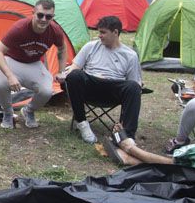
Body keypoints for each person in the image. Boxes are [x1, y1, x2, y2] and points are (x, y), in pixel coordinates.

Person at [60, 15, 143, 144]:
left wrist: (135, 86)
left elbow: (133, 82)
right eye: (99, 32)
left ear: (115, 32)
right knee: (75, 75)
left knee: (133, 87)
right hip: (90, 88)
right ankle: (82, 123)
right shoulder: (91, 46)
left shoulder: (130, 55)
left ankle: (127, 135)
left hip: (113, 91)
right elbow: (75, 67)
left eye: (103, 32)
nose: (99, 35)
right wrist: (64, 76)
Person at [0, 0, 67, 130]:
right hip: (13, 60)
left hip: (34, 63)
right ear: (33, 13)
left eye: (48, 16)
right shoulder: (20, 28)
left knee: (47, 91)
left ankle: (28, 110)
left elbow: (62, 49)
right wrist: (10, 76)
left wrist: (61, 71)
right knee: (2, 84)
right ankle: (8, 113)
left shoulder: (55, 31)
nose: (43, 19)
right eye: (40, 15)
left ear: (52, 17)